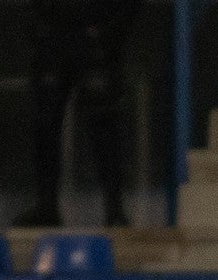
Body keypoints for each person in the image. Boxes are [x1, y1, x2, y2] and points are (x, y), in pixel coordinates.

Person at [14, 0, 140, 228]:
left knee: (103, 124)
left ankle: (113, 209)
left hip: (92, 35)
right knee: (47, 124)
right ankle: (48, 207)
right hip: (58, 36)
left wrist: (111, 32)